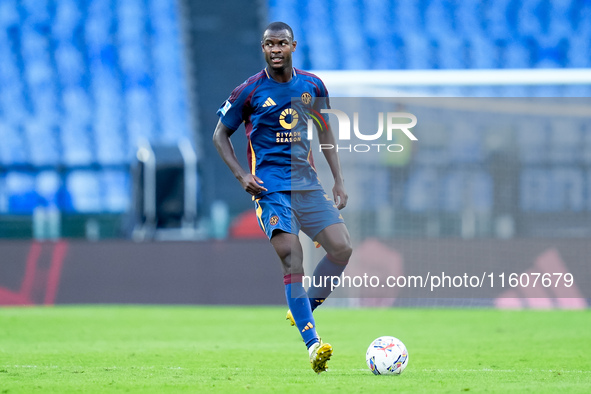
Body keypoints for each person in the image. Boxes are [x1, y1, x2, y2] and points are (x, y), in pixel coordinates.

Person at [212, 21, 352, 374]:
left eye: (281, 44)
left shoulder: (312, 85)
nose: (275, 49)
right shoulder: (249, 91)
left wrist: (338, 179)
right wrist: (242, 175)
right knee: (293, 255)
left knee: (342, 248)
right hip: (270, 188)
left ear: (293, 46)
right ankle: (313, 344)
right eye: (268, 44)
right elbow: (219, 136)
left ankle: (301, 307)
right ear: (263, 49)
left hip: (307, 184)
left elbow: (324, 130)